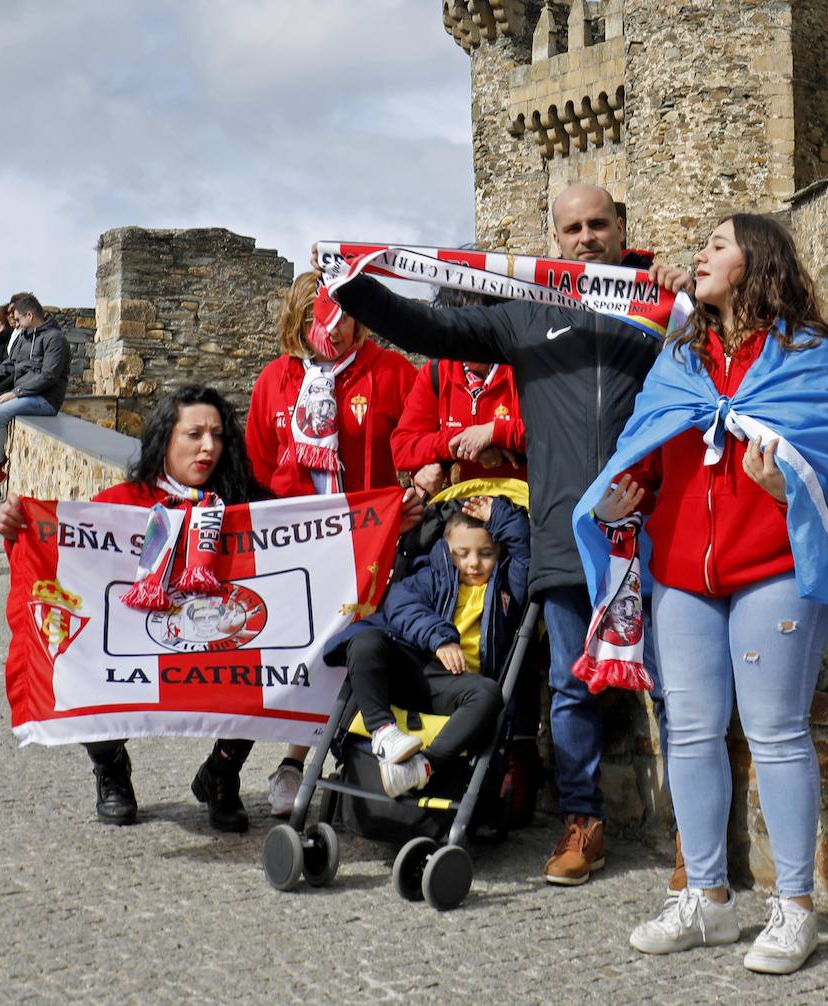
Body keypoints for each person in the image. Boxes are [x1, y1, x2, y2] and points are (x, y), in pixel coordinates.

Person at [314, 184, 689, 886]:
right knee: (573, 687)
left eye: (598, 225)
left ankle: (692, 842)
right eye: (571, 228)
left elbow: (730, 332)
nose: (585, 238)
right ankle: (584, 823)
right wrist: (352, 286)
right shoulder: (528, 316)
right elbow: (433, 330)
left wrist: (680, 279)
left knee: (672, 688)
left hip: (651, 528)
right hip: (565, 531)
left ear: (620, 228)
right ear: (554, 241)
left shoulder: (663, 306)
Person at [579, 214, 828, 975]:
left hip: (772, 565)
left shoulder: (809, 357)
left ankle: (795, 906)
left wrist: (787, 489)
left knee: (775, 733)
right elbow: (655, 447)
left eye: (718, 243)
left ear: (757, 262)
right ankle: (706, 898)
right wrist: (629, 489)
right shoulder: (680, 360)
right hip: (681, 572)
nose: (701, 255)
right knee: (691, 733)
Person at [0, 387, 259, 832]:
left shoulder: (246, 504)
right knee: (80, 666)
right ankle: (112, 767)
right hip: (135, 640)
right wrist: (17, 531)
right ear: (165, 441)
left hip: (212, 641)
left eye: (217, 435)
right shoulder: (120, 503)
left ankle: (221, 774)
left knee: (272, 664)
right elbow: (63, 565)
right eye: (194, 434)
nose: (208, 447)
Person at [245, 272, 417, 816]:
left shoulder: (391, 372)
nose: (334, 331)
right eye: (320, 320)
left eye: (345, 318)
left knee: (366, 646)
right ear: (297, 323)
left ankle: (369, 749)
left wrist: (410, 497)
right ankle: (295, 762)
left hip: (377, 545)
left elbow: (415, 447)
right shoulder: (275, 380)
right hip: (301, 548)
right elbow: (256, 463)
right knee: (307, 654)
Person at [326, 492, 529, 796]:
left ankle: (422, 767)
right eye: (463, 553)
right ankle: (384, 732)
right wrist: (440, 640)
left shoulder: (507, 586)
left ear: (498, 551)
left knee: (490, 695)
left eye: (485, 553)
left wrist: (503, 516)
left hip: (460, 688)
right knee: (365, 641)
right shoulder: (431, 575)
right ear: (447, 550)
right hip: (418, 669)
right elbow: (401, 606)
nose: (473, 563)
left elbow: (526, 552)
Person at [391, 291, 527, 497]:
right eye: (458, 328)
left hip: (527, 509)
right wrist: (462, 441)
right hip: (464, 511)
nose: (467, 340)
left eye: (478, 328)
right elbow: (403, 447)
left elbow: (555, 434)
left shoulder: (527, 370)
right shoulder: (436, 373)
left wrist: (494, 433)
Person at [0, 292, 70, 499]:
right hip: (22, 395)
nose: (16, 323)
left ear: (30, 316)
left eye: (18, 319)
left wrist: (16, 393)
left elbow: (49, 376)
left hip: (45, 400)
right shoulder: (24, 338)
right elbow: (6, 368)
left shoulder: (55, 339)